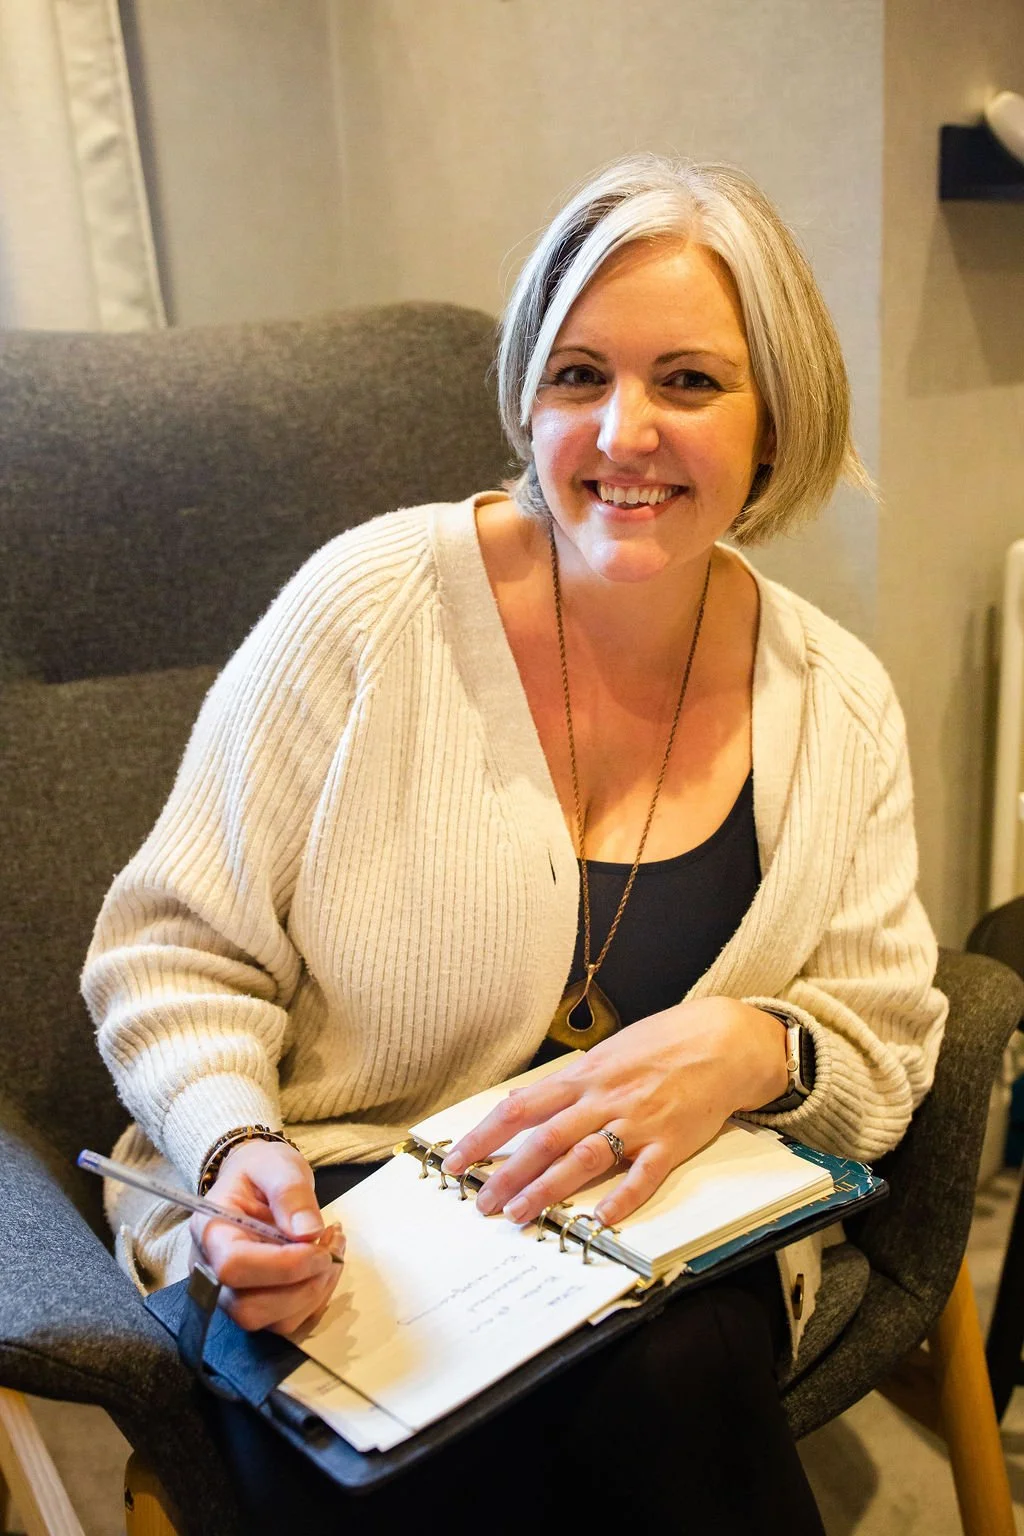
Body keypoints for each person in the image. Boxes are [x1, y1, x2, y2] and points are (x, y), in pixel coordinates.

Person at [82, 153, 947, 1534]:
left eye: (689, 381)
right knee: (420, 1447)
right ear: (527, 402)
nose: (622, 433)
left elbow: (886, 1043)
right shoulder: (371, 609)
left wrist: (759, 1048)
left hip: (657, 1239)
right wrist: (235, 1150)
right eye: (578, 376)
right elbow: (171, 953)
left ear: (777, 420)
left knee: (672, 1372)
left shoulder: (836, 701)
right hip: (340, 1203)